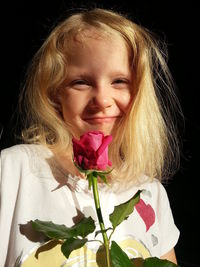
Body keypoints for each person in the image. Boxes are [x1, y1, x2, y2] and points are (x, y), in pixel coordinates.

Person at [0, 8, 181, 266]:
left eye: (119, 81)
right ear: (55, 92)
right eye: (81, 82)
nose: (103, 100)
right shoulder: (13, 172)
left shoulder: (150, 193)